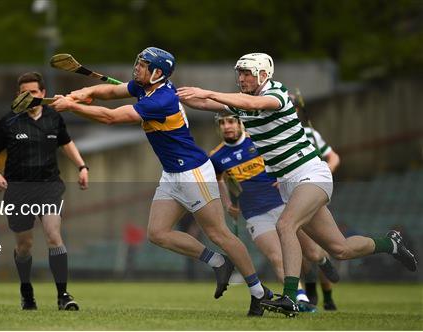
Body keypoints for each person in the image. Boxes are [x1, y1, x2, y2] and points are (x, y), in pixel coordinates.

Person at [177, 53, 417, 317]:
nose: (242, 78)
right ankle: (390, 243)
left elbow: (243, 101)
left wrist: (207, 91)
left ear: (263, 74)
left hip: (312, 174)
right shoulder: (242, 103)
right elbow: (202, 102)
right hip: (291, 184)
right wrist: (169, 96)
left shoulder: (276, 93)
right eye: (240, 73)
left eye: (247, 73)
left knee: (285, 225)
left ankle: (290, 297)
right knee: (341, 248)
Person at [50, 47, 272, 316]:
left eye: (143, 65)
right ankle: (217, 262)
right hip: (171, 174)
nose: (137, 68)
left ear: (157, 73)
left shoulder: (161, 100)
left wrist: (71, 106)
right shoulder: (146, 88)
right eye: (138, 63)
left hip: (193, 173)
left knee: (218, 234)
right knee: (158, 233)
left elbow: (110, 117)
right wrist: (88, 93)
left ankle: (260, 292)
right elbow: (111, 91)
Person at [209, 111, 339, 313]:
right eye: (223, 122)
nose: (227, 126)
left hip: (284, 205)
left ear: (241, 124)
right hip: (255, 214)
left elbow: (283, 159)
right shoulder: (217, 156)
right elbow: (218, 180)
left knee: (313, 253)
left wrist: (284, 176)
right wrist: (228, 204)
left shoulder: (259, 141)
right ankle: (300, 299)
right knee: (277, 257)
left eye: (232, 121)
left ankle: (322, 260)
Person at [0, 72, 89, 311]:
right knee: (25, 246)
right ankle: (26, 291)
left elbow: (66, 142)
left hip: (49, 186)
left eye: (32, 92)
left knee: (53, 236)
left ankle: (63, 295)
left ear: (42, 94)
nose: (27, 96)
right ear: (17, 96)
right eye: (23, 93)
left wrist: (82, 166)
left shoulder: (53, 117)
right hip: (18, 190)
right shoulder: (8, 121)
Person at [291, 92, 340, 310]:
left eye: (294, 108)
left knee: (319, 249)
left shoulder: (310, 133)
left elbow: (334, 157)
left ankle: (327, 295)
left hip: (312, 192)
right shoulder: (271, 135)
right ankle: (309, 289)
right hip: (289, 194)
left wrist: (319, 175)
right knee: (303, 249)